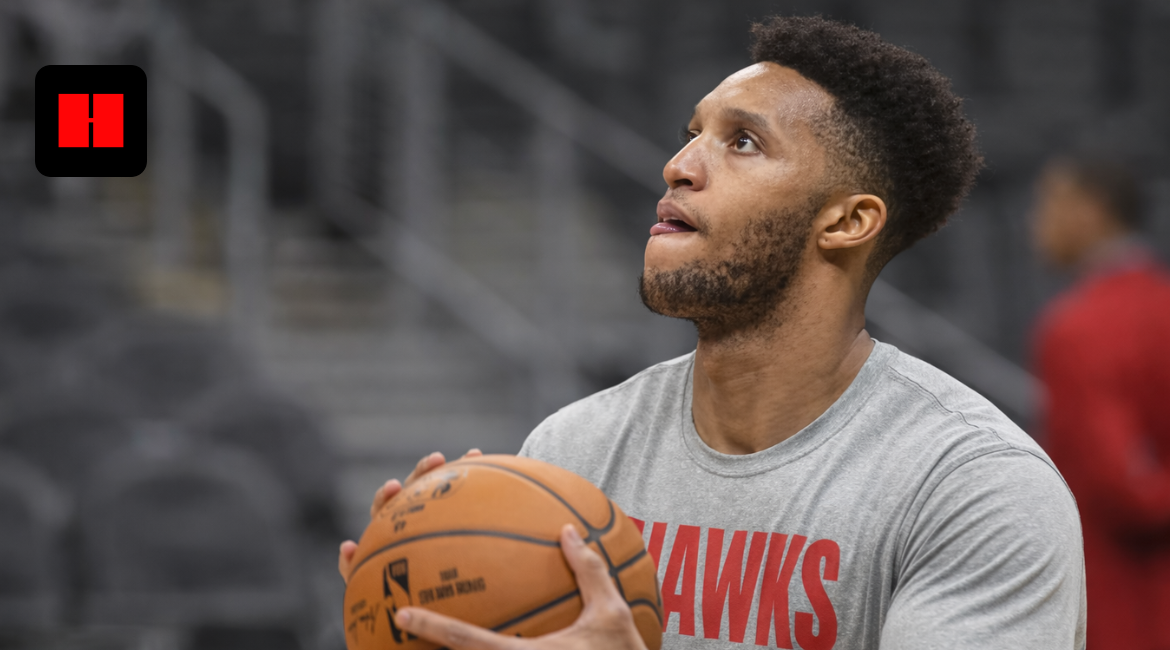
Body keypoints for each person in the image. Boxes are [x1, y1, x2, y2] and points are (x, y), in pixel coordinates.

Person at [340, 16, 1087, 649]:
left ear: (848, 221)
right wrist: (414, 606)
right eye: (692, 134)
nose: (677, 166)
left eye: (744, 143)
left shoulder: (973, 488)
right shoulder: (572, 456)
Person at [1031, 155, 1170, 650]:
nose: (1037, 222)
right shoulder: (1160, 303)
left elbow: (1124, 487)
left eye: (1049, 202)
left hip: (1124, 596)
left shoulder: (1079, 327)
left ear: (1091, 210)